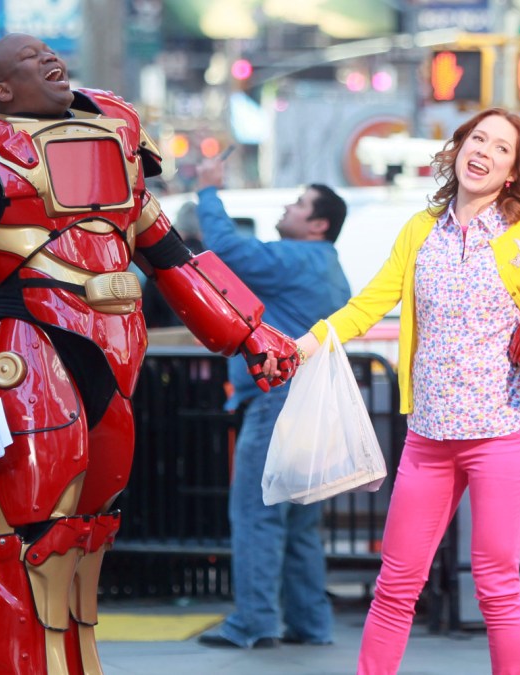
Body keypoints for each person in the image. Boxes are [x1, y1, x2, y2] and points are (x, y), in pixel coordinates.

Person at [0, 33, 296, 674]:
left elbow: (171, 254)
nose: (49, 60)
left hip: (114, 353)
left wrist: (250, 333)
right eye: (29, 59)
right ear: (1, 91)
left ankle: (74, 662)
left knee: (89, 528)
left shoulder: (116, 147)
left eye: (48, 53)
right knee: (36, 530)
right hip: (30, 345)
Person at [294, 107, 520, 675]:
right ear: (458, 147)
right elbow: (367, 305)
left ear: (513, 172)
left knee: (497, 586)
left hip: (501, 435)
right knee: (395, 585)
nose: (486, 152)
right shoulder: (420, 230)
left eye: (503, 149)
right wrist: (305, 344)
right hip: (428, 439)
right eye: (479, 138)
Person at [193, 161, 351, 649]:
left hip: (277, 399)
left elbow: (227, 248)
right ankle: (310, 622)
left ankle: (255, 621)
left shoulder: (297, 259)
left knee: (258, 511)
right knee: (300, 520)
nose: (288, 205)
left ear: (318, 224)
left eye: (300, 203)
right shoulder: (327, 267)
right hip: (313, 403)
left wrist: (208, 189)